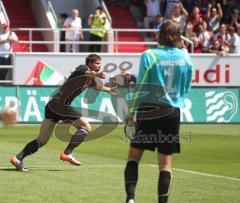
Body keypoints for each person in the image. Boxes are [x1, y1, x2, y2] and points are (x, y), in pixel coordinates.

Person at [10, 54, 120, 172]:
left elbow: (97, 86)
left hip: (52, 106)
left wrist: (108, 90)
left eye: (100, 63)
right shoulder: (82, 69)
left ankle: (18, 158)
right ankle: (67, 153)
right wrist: (96, 74)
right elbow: (87, 73)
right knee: (86, 126)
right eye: (97, 63)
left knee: (42, 140)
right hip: (61, 105)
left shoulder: (90, 79)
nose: (99, 65)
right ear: (90, 64)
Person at [124, 20, 193, 203]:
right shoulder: (185, 57)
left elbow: (142, 86)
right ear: (179, 36)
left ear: (160, 35)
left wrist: (131, 111)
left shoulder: (149, 55)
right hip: (172, 112)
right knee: (165, 164)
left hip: (149, 110)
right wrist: (176, 101)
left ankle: (130, 199)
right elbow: (186, 86)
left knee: (134, 156)